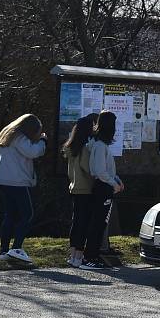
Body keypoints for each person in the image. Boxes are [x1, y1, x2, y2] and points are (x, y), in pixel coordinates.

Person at [0, 113, 48, 264]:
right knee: (27, 215)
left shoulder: (8, 135)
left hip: (2, 180)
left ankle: (4, 250)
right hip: (16, 182)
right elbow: (34, 152)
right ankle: (16, 248)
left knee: (10, 215)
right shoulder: (19, 138)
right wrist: (43, 140)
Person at [83, 110, 124, 270]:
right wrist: (113, 184)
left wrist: (117, 180)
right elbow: (100, 171)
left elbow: (107, 170)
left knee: (100, 223)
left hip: (105, 186)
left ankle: (93, 254)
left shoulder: (101, 145)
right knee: (98, 223)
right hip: (103, 188)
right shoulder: (99, 146)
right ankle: (89, 256)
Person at [62, 113, 98, 268]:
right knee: (84, 223)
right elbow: (88, 169)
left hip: (74, 187)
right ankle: (79, 255)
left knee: (76, 222)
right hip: (86, 189)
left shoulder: (70, 147)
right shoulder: (85, 149)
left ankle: (72, 256)